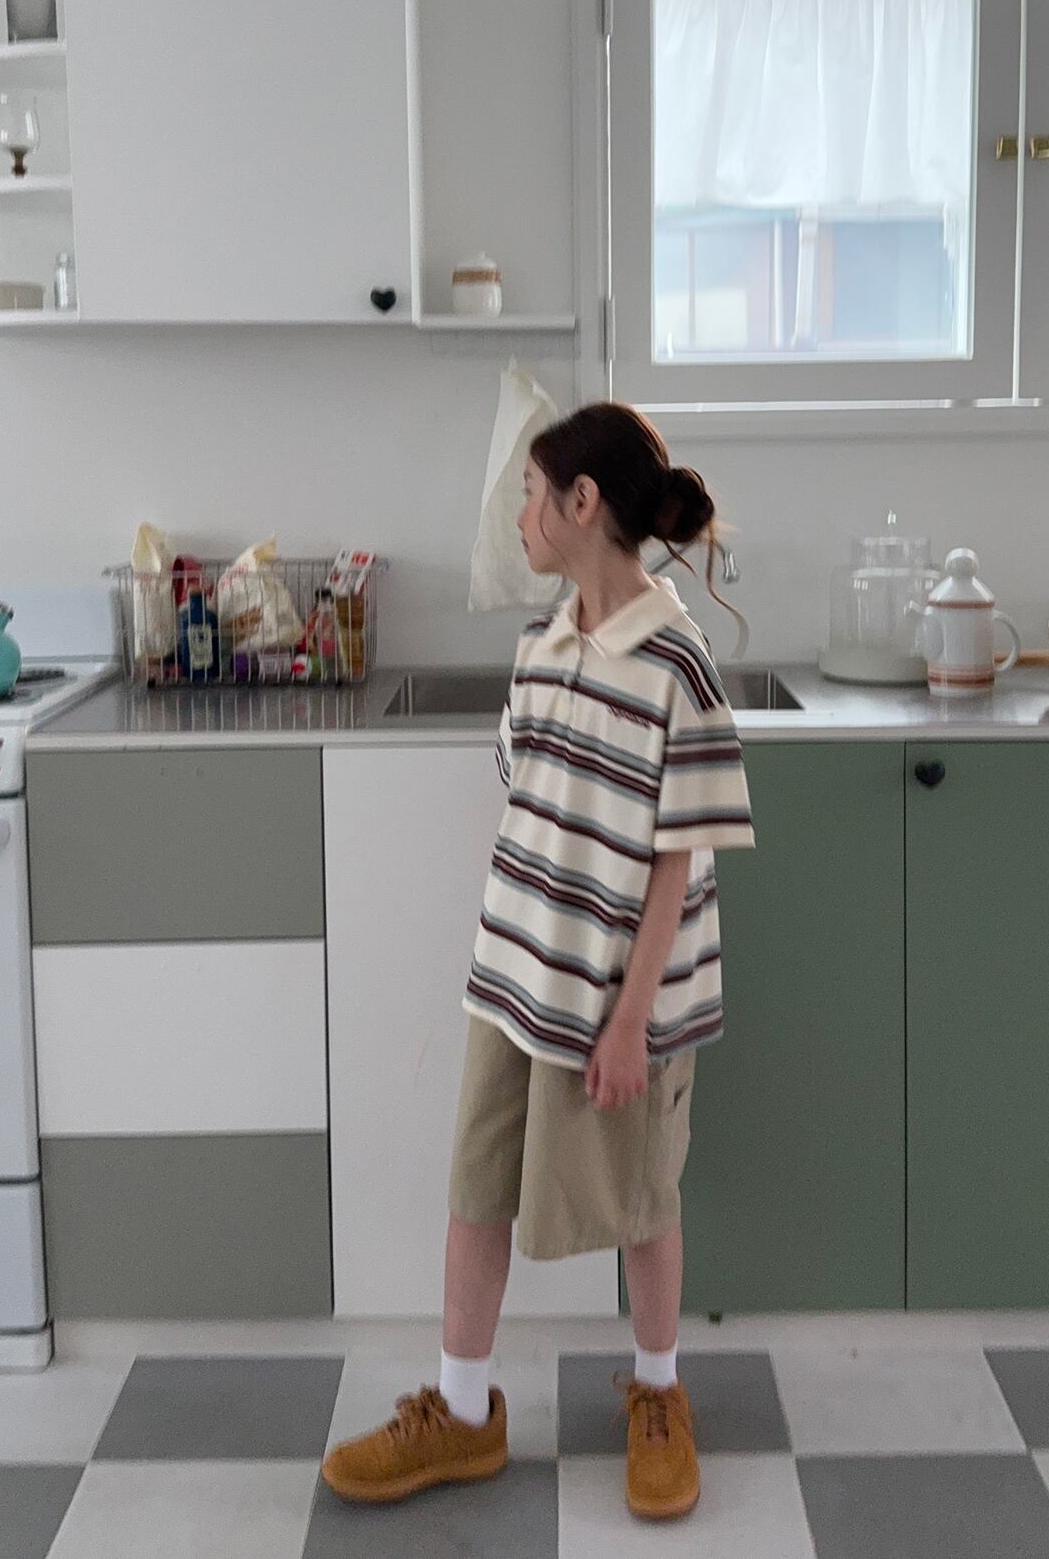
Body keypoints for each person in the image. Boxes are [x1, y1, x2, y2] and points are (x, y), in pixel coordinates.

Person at [321, 401, 755, 1521]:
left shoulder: (677, 662)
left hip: (623, 1001)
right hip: (514, 976)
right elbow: (529, 800)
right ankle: (463, 1412)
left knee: (643, 1197)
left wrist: (631, 1021)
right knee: (477, 1189)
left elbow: (680, 856)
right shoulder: (543, 644)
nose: (518, 515)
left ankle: (658, 1393)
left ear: (582, 503)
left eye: (529, 493)